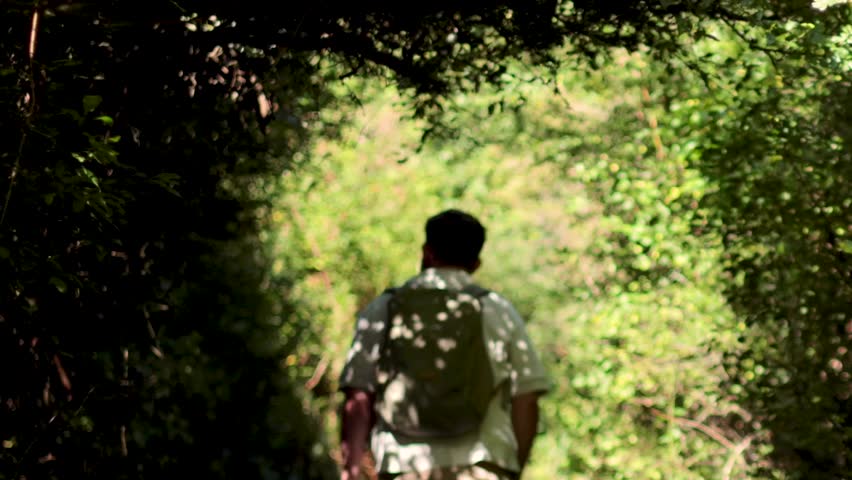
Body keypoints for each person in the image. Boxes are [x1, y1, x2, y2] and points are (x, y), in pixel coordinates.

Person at [339, 209, 550, 480]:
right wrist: (513, 467)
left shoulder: (384, 308)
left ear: (427, 252)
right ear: (476, 263)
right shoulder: (497, 310)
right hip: (483, 464)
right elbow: (527, 398)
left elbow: (358, 394)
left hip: (404, 465)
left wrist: (351, 469)